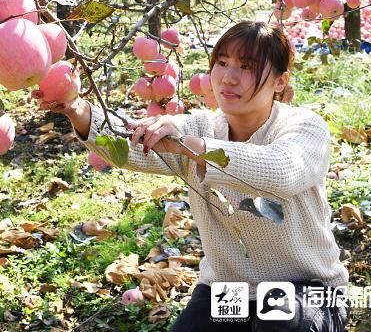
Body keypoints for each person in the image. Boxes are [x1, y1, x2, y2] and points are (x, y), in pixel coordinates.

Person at [34, 21, 349, 331]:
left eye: (247, 66)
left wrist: (189, 147)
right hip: (232, 290)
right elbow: (134, 145)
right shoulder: (202, 128)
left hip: (309, 288)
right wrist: (77, 109)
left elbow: (280, 170)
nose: (229, 77)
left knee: (279, 326)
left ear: (280, 81)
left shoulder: (304, 127)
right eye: (222, 63)